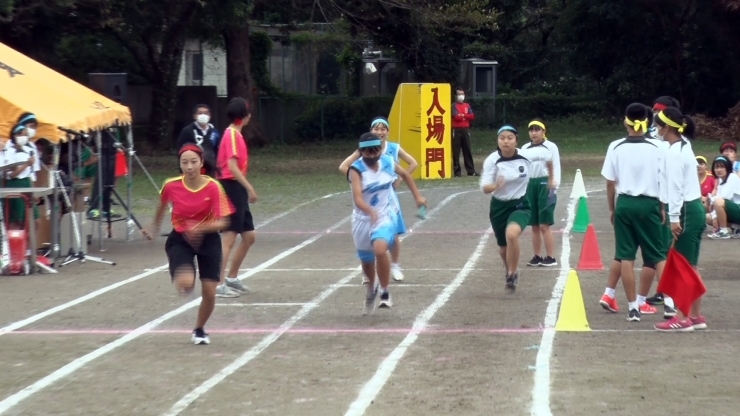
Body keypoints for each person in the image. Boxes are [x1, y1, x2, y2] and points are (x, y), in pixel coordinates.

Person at [149, 144, 234, 344]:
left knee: (210, 292)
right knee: (186, 282)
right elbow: (162, 206)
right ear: (179, 164)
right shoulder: (171, 185)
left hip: (208, 239)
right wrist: (154, 227)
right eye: (184, 162)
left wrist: (199, 228)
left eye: (193, 162)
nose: (189, 167)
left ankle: (199, 329)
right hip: (180, 239)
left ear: (201, 163)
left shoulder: (213, 186)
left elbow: (224, 221)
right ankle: (184, 281)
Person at [601, 103, 668, 322]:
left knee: (626, 256)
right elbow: (663, 179)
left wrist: (612, 208)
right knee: (658, 255)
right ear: (648, 122)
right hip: (649, 203)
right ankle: (669, 303)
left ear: (625, 121)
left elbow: (610, 183)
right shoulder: (659, 147)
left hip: (625, 203)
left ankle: (633, 308)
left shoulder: (616, 146)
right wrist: (662, 206)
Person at [348, 133, 426, 314]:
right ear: (361, 152)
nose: (371, 156)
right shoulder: (356, 170)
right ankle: (371, 290)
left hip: (384, 215)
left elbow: (406, 174)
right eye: (366, 153)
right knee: (367, 263)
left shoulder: (388, 162)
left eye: (374, 152)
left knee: (380, 249)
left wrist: (418, 197)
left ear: (379, 150)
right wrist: (369, 211)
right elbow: (358, 198)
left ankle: (384, 291)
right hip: (362, 219)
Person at [339, 117, 418, 283]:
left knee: (394, 232)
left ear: (388, 132)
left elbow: (413, 164)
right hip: (369, 198)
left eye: (383, 129)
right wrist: (358, 180)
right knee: (367, 236)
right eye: (376, 129)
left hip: (388, 197)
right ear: (371, 130)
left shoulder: (393, 149)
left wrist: (400, 179)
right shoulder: (364, 149)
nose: (380, 132)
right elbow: (343, 166)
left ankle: (395, 266)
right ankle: (367, 270)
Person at [480, 125, 555, 291]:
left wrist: (551, 177)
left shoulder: (526, 155)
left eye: (510, 138)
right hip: (499, 206)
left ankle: (513, 273)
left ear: (516, 141)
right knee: (503, 248)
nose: (506, 141)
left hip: (520, 204)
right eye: (502, 138)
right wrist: (495, 185)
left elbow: (548, 156)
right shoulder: (492, 160)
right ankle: (509, 270)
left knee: (512, 234)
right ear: (498, 141)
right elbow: (485, 188)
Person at [652, 107, 706, 332]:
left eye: (657, 126)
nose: (655, 130)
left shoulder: (674, 153)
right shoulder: (684, 144)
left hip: (685, 210)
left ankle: (682, 318)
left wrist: (674, 217)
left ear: (666, 128)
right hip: (694, 209)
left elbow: (676, 187)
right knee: (691, 265)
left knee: (681, 266)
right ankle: (695, 316)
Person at [215, 97, 258, 298]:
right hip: (231, 187)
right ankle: (218, 283)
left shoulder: (236, 134)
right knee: (229, 237)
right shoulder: (232, 134)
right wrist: (249, 188)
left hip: (236, 188)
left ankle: (232, 277)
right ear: (244, 116)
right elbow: (232, 167)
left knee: (249, 236)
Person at [521, 119, 561, 267]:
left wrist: (554, 184)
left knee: (544, 224)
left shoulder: (551, 147)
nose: (534, 133)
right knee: (534, 224)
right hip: (530, 184)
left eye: (537, 130)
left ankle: (550, 257)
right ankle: (537, 255)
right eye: (531, 130)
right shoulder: (525, 148)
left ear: (543, 132)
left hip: (545, 183)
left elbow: (555, 165)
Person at [4, 125, 39, 230]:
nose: (23, 136)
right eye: (20, 134)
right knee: (18, 221)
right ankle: (16, 245)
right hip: (15, 184)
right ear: (14, 136)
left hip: (27, 183)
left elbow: (30, 173)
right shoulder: (9, 152)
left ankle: (28, 245)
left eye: (25, 134)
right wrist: (26, 164)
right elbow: (11, 174)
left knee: (36, 221)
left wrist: (34, 191)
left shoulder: (28, 150)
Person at [176, 104, 220, 177]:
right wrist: (181, 171)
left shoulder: (214, 132)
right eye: (200, 113)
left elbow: (217, 151)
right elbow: (180, 151)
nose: (203, 115)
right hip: (193, 169)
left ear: (210, 115)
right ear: (194, 116)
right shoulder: (187, 131)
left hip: (210, 169)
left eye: (206, 113)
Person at [706, 156, 740, 239]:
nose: (719, 170)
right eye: (716, 167)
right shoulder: (720, 180)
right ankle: (737, 227)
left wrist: (711, 199)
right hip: (733, 211)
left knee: (718, 202)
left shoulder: (732, 177)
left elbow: (724, 198)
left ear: (727, 167)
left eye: (722, 167)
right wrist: (714, 217)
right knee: (708, 218)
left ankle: (724, 231)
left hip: (737, 208)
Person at [451, 88, 478, 177]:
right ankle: (457, 171)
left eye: (462, 93)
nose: (461, 96)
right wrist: (465, 116)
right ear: (456, 96)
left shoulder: (467, 105)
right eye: (459, 94)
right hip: (456, 129)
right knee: (456, 151)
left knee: (467, 150)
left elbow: (472, 116)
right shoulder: (454, 105)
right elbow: (456, 117)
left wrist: (462, 115)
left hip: (465, 129)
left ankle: (471, 171)